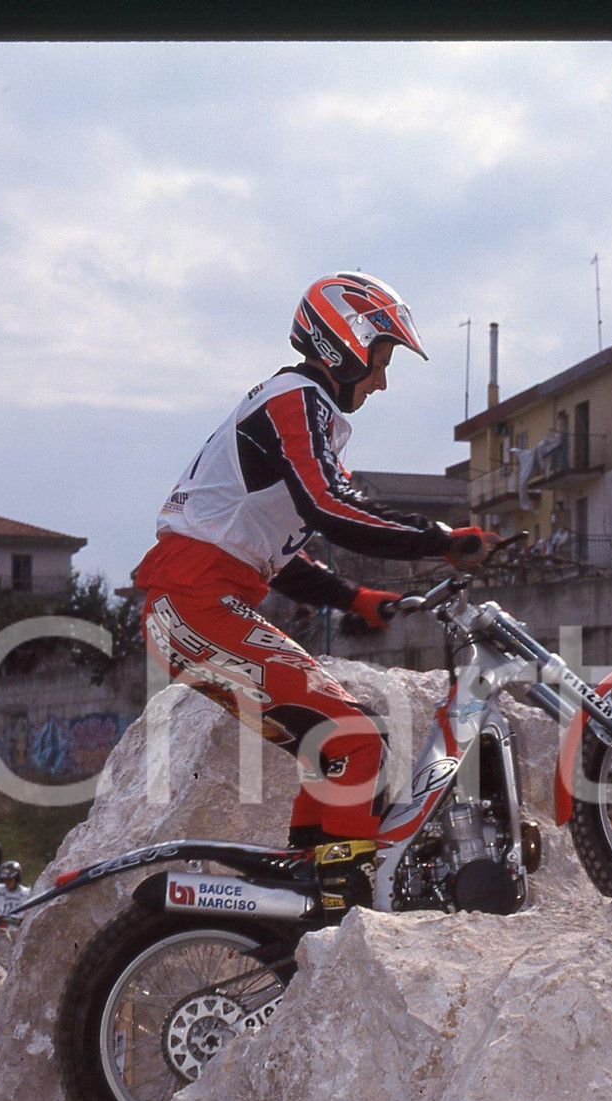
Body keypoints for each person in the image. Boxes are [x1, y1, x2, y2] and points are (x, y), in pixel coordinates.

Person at [133, 270, 496, 918]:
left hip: (203, 596)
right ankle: (335, 910)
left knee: (348, 740)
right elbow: (330, 507)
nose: (382, 380)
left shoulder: (304, 409)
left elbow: (277, 550)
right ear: (345, 343)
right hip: (191, 599)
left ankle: (303, 893)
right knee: (352, 737)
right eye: (381, 359)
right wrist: (438, 538)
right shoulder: (294, 398)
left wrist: (358, 598)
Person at [0, 860, 31, 925]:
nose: (7, 882)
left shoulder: (26, 893)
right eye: (5, 879)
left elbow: (24, 920)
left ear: (16, 878)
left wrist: (4, 919)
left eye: (10, 879)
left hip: (16, 927)